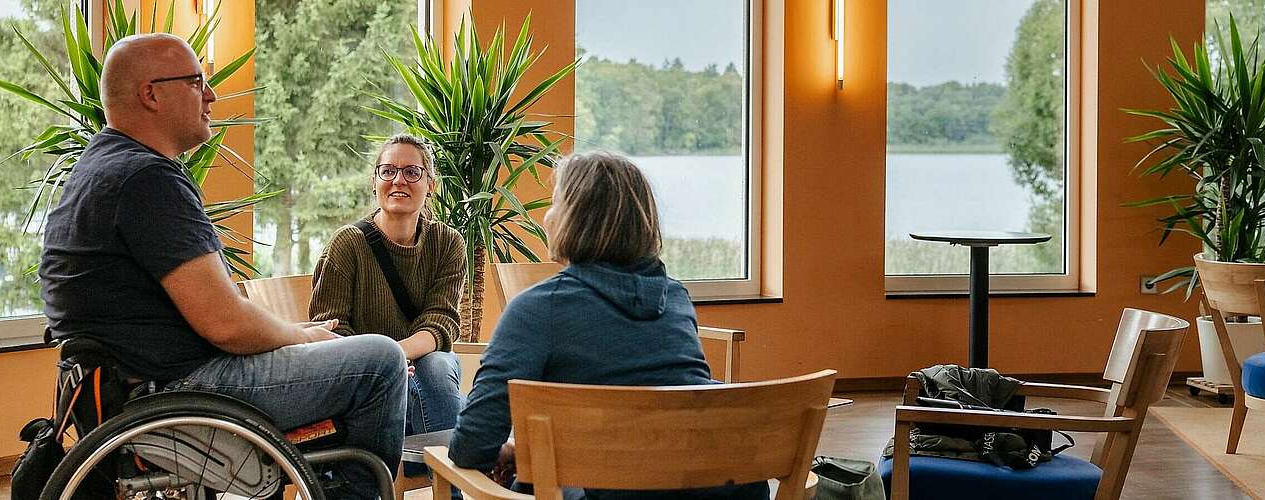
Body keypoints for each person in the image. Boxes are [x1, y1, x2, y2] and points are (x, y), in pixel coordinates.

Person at [38, 33, 405, 500]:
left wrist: (293, 333)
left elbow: (209, 314)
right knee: (380, 362)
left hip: (132, 384)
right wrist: (304, 337)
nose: (211, 96)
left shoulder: (98, 168)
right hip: (179, 389)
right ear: (151, 94)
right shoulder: (146, 179)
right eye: (196, 82)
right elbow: (226, 325)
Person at [446, 152, 768, 499]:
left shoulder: (538, 308)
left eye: (555, 203)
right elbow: (655, 420)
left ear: (575, 219)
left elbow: (472, 445)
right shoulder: (675, 297)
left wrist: (520, 455)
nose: (546, 216)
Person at [309, 134, 467, 446]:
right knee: (418, 391)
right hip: (363, 371)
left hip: (423, 361)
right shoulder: (347, 243)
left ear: (430, 185)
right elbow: (331, 329)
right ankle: (450, 470)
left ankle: (442, 469)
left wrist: (395, 354)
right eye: (388, 171)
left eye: (412, 172)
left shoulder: (447, 243)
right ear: (375, 182)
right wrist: (383, 365)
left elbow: (440, 322)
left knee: (437, 367)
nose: (398, 180)